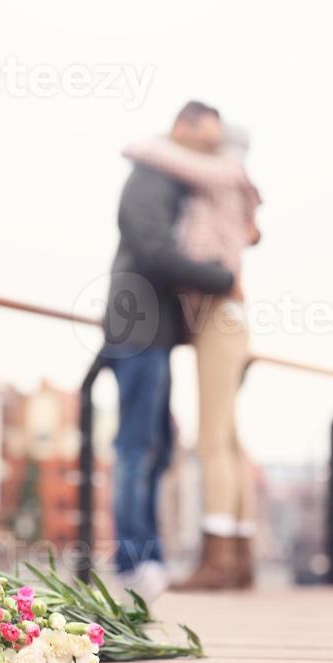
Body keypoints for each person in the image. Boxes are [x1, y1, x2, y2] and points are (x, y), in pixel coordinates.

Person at [103, 101, 235, 602]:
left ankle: (147, 556)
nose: (210, 150)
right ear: (182, 128)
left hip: (152, 332)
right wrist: (221, 277)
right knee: (136, 450)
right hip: (137, 330)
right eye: (205, 140)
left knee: (154, 450)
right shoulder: (151, 178)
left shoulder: (175, 182)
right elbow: (155, 253)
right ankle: (133, 562)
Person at [122, 124, 261, 590]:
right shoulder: (228, 183)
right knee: (230, 439)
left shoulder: (222, 171)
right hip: (224, 319)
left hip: (217, 318)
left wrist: (154, 141)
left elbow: (145, 149)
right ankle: (239, 557)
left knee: (211, 441)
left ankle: (218, 560)